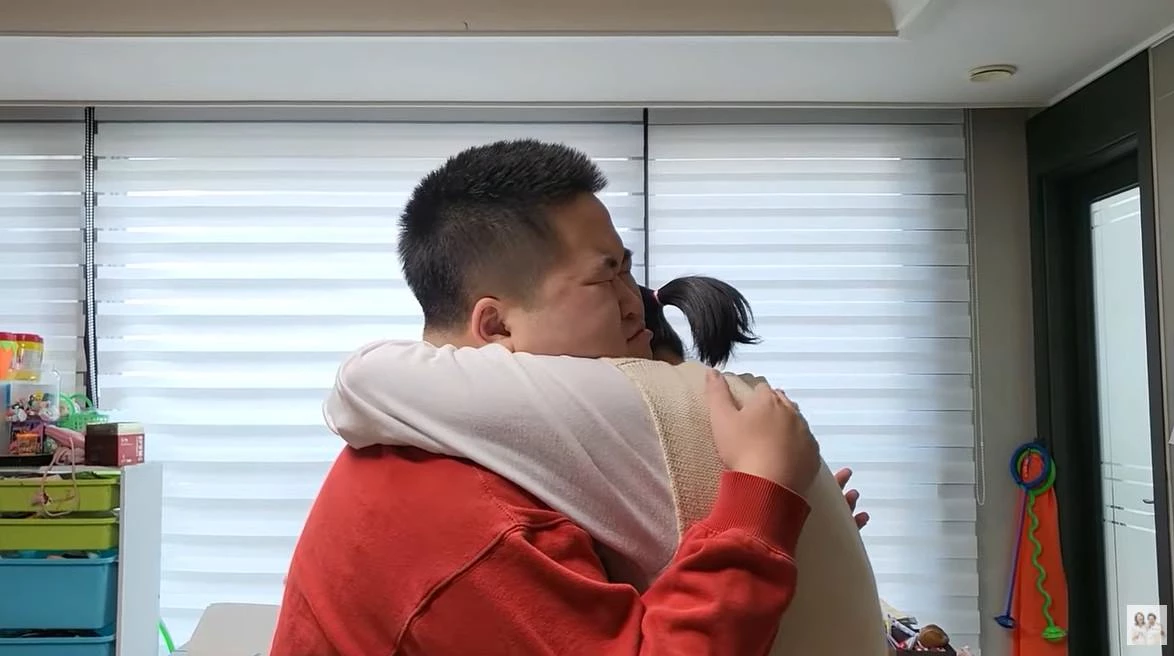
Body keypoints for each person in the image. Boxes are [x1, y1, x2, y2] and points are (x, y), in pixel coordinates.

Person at [270, 139, 820, 655]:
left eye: (628, 270)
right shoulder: (476, 517)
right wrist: (759, 500)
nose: (635, 304)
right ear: (497, 326)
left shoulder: (510, 449)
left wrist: (806, 533)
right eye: (605, 279)